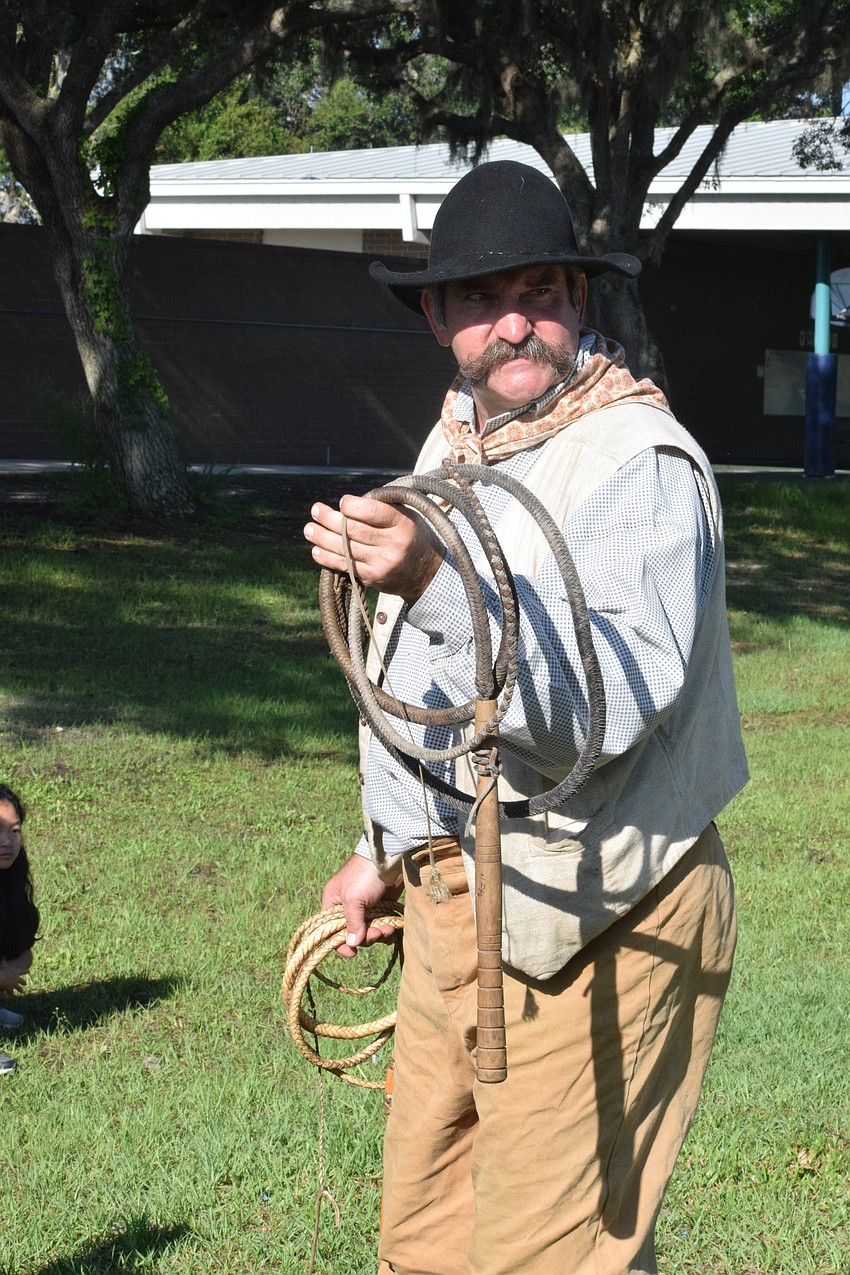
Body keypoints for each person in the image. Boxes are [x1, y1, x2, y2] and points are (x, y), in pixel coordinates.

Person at [303, 160, 748, 1275]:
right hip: (461, 899)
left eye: (539, 292)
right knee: (427, 1241)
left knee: (543, 1261)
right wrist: (384, 853)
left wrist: (430, 583)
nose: (514, 325)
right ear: (438, 319)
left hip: (604, 912)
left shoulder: (637, 463)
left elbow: (588, 718)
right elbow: (421, 684)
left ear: (580, 300)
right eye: (479, 300)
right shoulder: (457, 440)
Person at [0, 783, 40, 1075]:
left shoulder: (11, 874)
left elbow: (21, 940)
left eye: (14, 831)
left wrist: (16, 964)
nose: (6, 842)